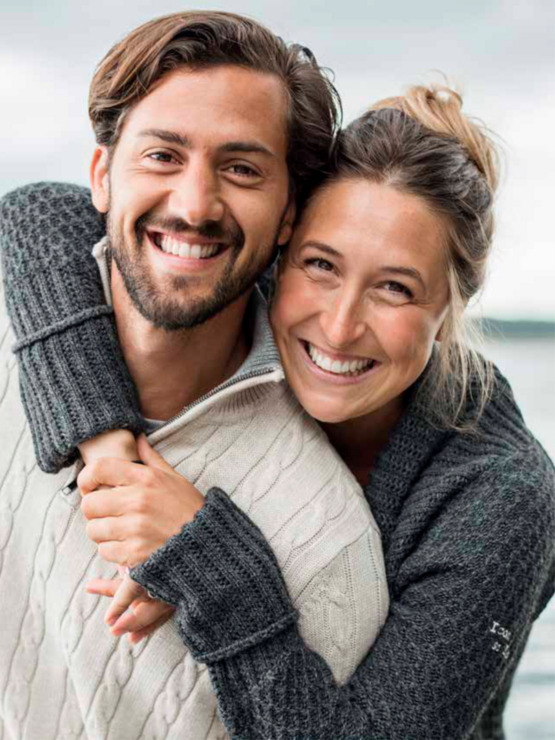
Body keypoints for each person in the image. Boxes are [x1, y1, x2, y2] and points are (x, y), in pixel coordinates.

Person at [2, 26, 555, 740]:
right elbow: (38, 214)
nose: (339, 325)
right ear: (286, 243)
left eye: (394, 288)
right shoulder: (248, 272)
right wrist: (105, 448)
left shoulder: (498, 498)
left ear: (448, 314)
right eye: (321, 266)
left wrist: (203, 560)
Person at [0, 12, 390, 740]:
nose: (194, 205)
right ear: (100, 176)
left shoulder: (329, 538)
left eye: (241, 169)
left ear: (287, 218)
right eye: (161, 156)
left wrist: (216, 579)